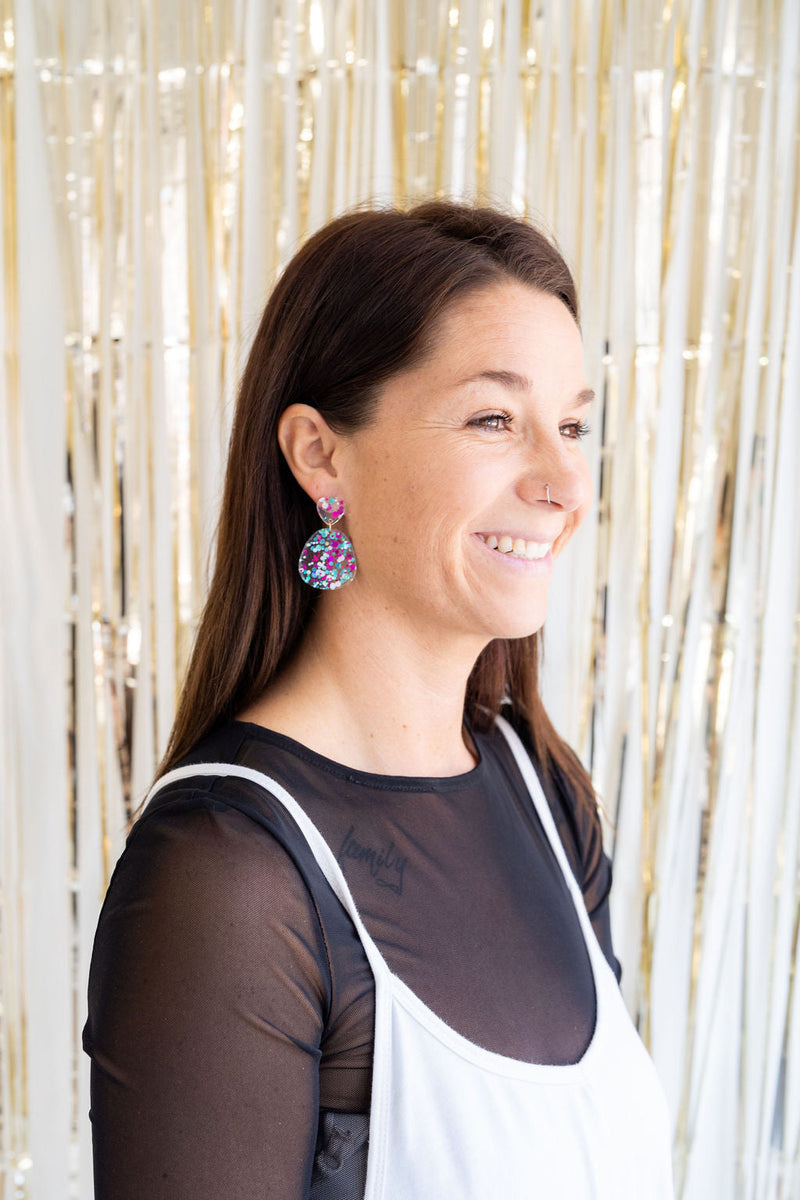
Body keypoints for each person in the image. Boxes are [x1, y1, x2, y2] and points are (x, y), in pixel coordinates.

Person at [83, 200, 674, 1198]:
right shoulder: (229, 878)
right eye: (494, 419)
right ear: (320, 454)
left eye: (572, 425)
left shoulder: (540, 789)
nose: (566, 482)